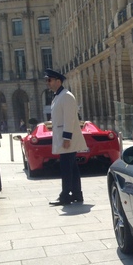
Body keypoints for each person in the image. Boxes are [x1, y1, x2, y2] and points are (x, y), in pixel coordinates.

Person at [45, 68, 87, 206]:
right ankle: (77, 194)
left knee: (66, 168)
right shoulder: (59, 96)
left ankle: (65, 196)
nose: (48, 83)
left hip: (67, 139)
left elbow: (69, 119)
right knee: (72, 168)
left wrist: (67, 138)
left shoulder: (66, 96)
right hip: (63, 138)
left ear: (58, 81)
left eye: (49, 80)